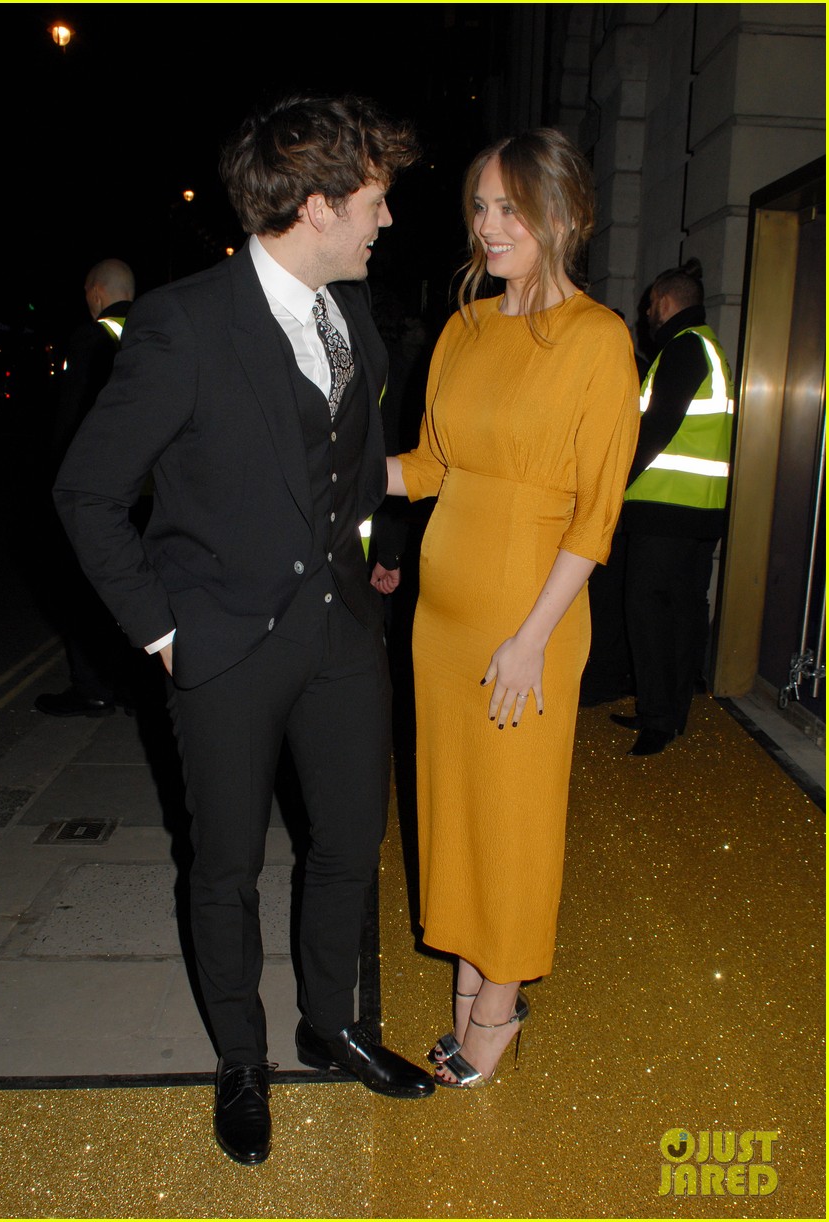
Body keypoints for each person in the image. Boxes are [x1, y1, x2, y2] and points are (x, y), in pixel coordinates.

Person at [54, 95, 431, 1166]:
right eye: (373, 200)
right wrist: (160, 630)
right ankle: (241, 1060)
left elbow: (350, 465)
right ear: (314, 204)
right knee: (222, 867)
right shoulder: (181, 322)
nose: (386, 220)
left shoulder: (350, 309)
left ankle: (333, 1021)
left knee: (348, 845)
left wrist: (383, 538)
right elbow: (86, 493)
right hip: (219, 644)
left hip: (343, 634)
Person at [385, 130, 640, 1088]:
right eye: (480, 208)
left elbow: (595, 511)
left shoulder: (598, 338)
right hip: (439, 620)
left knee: (513, 815)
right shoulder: (462, 326)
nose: (489, 227)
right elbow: (432, 467)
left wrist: (531, 638)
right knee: (451, 810)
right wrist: (332, 475)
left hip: (529, 623)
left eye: (510, 209)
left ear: (564, 215)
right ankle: (466, 981)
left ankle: (498, 1005)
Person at [611, 258, 734, 756]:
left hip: (665, 512)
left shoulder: (684, 349)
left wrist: (613, 485)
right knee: (684, 612)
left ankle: (658, 716)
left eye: (650, 305)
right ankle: (671, 712)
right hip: (698, 512)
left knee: (649, 612)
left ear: (666, 301)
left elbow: (655, 429)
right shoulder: (710, 348)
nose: (646, 315)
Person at [35, 258, 138, 717]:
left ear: (97, 293)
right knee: (137, 586)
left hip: (102, 492)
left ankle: (92, 686)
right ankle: (136, 686)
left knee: (84, 587)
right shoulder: (158, 330)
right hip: (150, 492)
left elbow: (71, 421)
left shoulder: (91, 337)